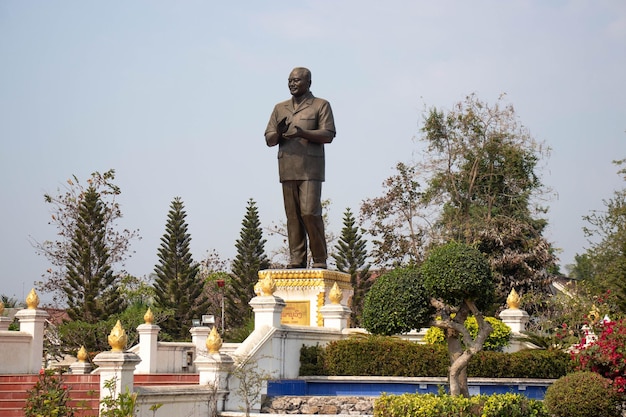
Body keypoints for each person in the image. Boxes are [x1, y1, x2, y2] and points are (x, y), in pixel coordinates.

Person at [265, 67, 336, 269]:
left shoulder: (320, 105)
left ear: (308, 83)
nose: (292, 84)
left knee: (309, 212)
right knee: (293, 216)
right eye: (290, 80)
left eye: (296, 80)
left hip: (310, 168)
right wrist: (278, 133)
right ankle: (297, 259)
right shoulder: (280, 108)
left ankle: (320, 258)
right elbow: (269, 139)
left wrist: (302, 132)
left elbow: (328, 134)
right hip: (287, 167)